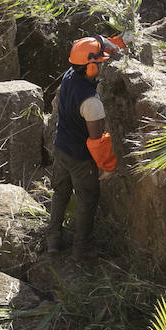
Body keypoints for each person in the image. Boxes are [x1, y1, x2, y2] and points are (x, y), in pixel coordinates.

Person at [46, 33, 125, 262]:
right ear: (90, 68)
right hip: (79, 158)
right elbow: (96, 141)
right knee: (87, 199)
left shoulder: (69, 75)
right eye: (99, 63)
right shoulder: (91, 102)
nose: (102, 66)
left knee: (60, 192)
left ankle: (52, 240)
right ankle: (81, 250)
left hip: (60, 147)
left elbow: (94, 48)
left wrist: (118, 43)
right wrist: (108, 167)